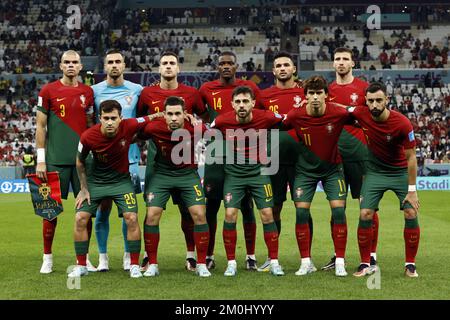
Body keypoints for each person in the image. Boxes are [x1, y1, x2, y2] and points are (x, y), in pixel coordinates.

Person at [68, 100, 158, 279]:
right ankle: (81, 265)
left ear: (121, 118)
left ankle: (133, 264)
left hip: (121, 182)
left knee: (131, 217)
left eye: (113, 118)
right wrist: (84, 188)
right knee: (80, 218)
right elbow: (79, 161)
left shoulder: (129, 124)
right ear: (99, 118)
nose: (110, 122)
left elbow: (149, 118)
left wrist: (162, 114)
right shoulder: (87, 136)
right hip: (95, 183)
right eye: (106, 118)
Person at [137, 51, 209, 272]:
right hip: (158, 166)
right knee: (151, 213)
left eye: (172, 63)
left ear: (179, 68)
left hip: (186, 167)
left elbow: (206, 122)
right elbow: (137, 125)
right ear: (159, 68)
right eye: (164, 63)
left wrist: (196, 129)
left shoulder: (192, 93)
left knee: (193, 214)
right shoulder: (148, 93)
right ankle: (151, 261)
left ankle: (194, 258)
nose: (168, 67)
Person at [210, 85, 285, 277]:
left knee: (268, 214)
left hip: (259, 173)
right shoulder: (221, 120)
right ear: (232, 104)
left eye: (245, 101)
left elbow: (287, 120)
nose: (241, 105)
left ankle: (274, 262)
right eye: (238, 102)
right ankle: (231, 263)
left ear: (253, 103)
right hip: (234, 175)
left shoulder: (266, 117)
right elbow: (205, 130)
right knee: (230, 214)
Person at [347, 82, 420, 278]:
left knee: (411, 213)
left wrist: (412, 189)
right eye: (370, 101)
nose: (375, 105)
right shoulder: (361, 113)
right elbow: (340, 109)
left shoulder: (402, 123)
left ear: (387, 100)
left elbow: (411, 157)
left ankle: (410, 265)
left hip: (399, 173)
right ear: (366, 102)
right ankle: (365, 263)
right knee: (365, 214)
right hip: (375, 172)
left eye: (379, 100)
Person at [282, 75, 351, 277]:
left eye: (318, 93)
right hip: (305, 171)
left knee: (338, 212)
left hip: (333, 169)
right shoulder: (296, 115)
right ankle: (305, 262)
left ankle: (340, 261)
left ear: (326, 95)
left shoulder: (338, 112)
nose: (314, 97)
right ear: (305, 96)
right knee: (301, 212)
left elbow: (362, 117)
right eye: (311, 93)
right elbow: (274, 124)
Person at [199, 51, 262, 270]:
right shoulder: (206, 89)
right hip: (216, 153)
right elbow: (203, 116)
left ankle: (250, 256)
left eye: (230, 63)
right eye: (222, 63)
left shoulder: (250, 88)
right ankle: (208, 255)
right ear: (217, 67)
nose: (226, 66)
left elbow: (260, 115)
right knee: (212, 205)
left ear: (237, 66)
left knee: (246, 205)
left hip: (243, 153)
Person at [35, 50, 96, 274]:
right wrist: (41, 160)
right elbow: (40, 126)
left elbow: (91, 126)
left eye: (75, 62)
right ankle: (47, 258)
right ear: (61, 66)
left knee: (86, 212)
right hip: (54, 161)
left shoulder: (88, 92)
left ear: (80, 67)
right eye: (67, 62)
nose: (71, 65)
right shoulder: (48, 90)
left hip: (82, 162)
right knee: (49, 212)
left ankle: (85, 257)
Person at [322, 47, 379, 272]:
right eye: (337, 59)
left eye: (346, 59)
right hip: (334, 157)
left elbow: (376, 118)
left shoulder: (364, 89)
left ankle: (371, 255)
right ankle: (338, 256)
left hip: (362, 156)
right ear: (333, 64)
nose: (341, 62)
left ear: (353, 63)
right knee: (337, 208)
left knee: (368, 208)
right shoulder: (326, 91)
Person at [258, 51, 314, 272]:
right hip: (272, 159)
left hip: (302, 160)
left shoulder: (305, 93)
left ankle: (307, 260)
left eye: (286, 65)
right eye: (278, 65)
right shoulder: (264, 96)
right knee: (274, 208)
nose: (282, 68)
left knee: (303, 208)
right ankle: (273, 258)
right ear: (273, 71)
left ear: (294, 69)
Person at [91, 49, 144, 272]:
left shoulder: (137, 90)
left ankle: (126, 255)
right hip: (101, 163)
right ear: (104, 66)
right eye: (110, 62)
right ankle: (102, 257)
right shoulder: (93, 91)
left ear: (124, 65)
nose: (114, 65)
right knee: (102, 210)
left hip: (129, 162)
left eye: (118, 62)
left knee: (127, 212)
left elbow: (142, 123)